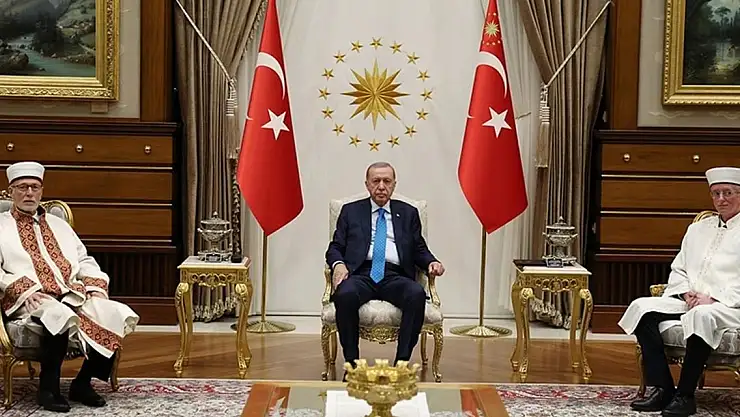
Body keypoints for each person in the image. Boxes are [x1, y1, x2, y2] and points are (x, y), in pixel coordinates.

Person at [0, 161, 139, 413]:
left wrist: (95, 287)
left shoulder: (59, 224)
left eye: (34, 187)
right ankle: (48, 389)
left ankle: (83, 383)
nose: (29, 193)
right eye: (22, 187)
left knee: (116, 313)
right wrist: (23, 289)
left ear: (41, 191)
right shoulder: (1, 225)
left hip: (72, 293)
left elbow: (84, 259)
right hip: (31, 298)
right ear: (11, 191)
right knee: (58, 316)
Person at [618, 166, 740, 417]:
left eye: (728, 193)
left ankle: (685, 396)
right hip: (690, 300)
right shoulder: (698, 229)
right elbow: (679, 268)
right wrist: (685, 292)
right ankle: (663, 388)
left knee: (702, 315)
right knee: (642, 309)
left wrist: (713, 298)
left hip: (729, 306)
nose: (721, 199)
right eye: (716, 193)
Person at [326, 162, 445, 377]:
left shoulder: (408, 213)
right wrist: (339, 264)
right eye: (376, 181)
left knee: (416, 294)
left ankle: (400, 367)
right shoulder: (351, 211)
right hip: (361, 273)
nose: (381, 186)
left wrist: (431, 262)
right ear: (367, 184)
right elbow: (335, 247)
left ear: (394, 185)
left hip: (394, 275)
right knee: (345, 294)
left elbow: (419, 248)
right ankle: (352, 367)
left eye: (387, 181)